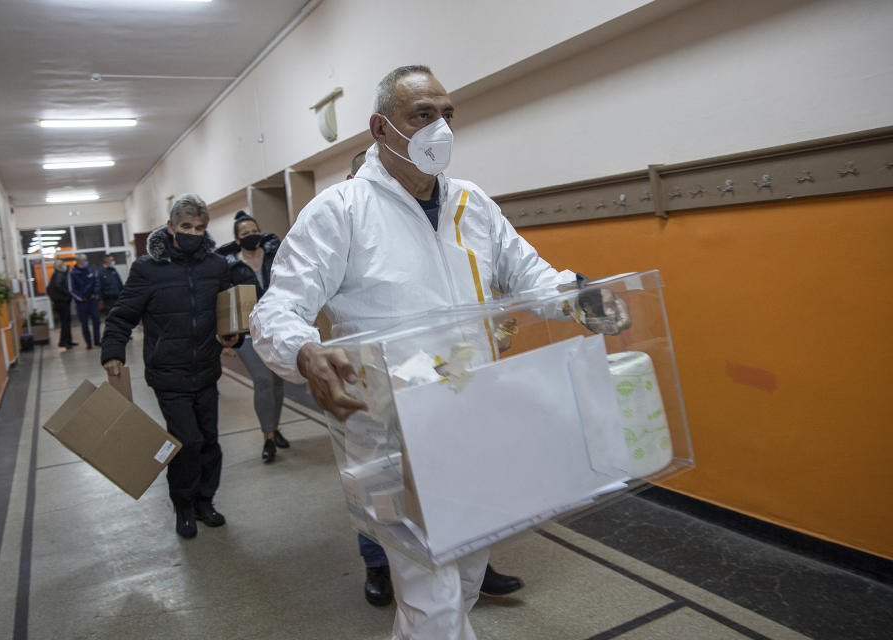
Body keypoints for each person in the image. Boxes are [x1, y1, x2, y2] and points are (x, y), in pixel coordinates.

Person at [251, 65, 601, 640]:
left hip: (474, 415)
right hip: (392, 428)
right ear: (380, 128)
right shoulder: (340, 211)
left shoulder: (473, 204)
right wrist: (304, 352)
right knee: (430, 592)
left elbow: (529, 274)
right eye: (422, 115)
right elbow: (277, 309)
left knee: (463, 578)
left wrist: (578, 298)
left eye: (447, 114)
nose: (439, 128)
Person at [345, 149, 524, 608]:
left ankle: (471, 575)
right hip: (388, 397)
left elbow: (514, 271)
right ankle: (379, 566)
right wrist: (304, 354)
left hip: (458, 386)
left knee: (465, 503)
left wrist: (567, 293)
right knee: (390, 506)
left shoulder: (464, 206)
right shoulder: (346, 214)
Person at [101, 194, 239, 539]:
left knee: (209, 440)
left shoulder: (215, 265)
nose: (193, 233)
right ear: (170, 227)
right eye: (186, 226)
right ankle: (183, 505)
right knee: (186, 441)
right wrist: (112, 352)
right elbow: (122, 316)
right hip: (168, 373)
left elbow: (227, 311)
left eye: (200, 227)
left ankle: (205, 501)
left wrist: (232, 335)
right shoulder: (148, 269)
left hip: (206, 369)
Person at [215, 211, 288, 463]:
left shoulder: (272, 255)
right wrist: (226, 335)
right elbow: (224, 301)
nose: (251, 236)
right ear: (237, 240)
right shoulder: (230, 265)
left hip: (276, 328)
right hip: (247, 333)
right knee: (263, 380)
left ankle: (275, 428)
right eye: (245, 234)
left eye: (254, 231)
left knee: (278, 382)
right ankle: (267, 436)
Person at [70, 253, 100, 349]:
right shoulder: (73, 273)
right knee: (84, 323)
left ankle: (97, 341)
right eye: (84, 260)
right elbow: (72, 289)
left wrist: (94, 293)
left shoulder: (90, 270)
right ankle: (88, 343)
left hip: (92, 301)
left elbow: (96, 282)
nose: (86, 262)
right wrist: (80, 298)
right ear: (79, 261)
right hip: (82, 302)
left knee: (96, 320)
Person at [47, 258, 76, 351]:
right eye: (62, 264)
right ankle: (64, 342)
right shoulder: (58, 275)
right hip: (62, 302)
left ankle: (68, 340)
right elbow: (58, 286)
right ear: (59, 266)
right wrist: (67, 293)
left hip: (61, 302)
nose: (64, 266)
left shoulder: (57, 275)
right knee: (65, 322)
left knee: (66, 322)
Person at [98, 254, 124, 322]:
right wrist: (100, 300)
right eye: (112, 260)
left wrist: (123, 294)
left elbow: (119, 283)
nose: (113, 262)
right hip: (108, 300)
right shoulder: (100, 272)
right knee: (111, 318)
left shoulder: (113, 270)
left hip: (117, 298)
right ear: (106, 261)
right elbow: (99, 287)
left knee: (119, 317)